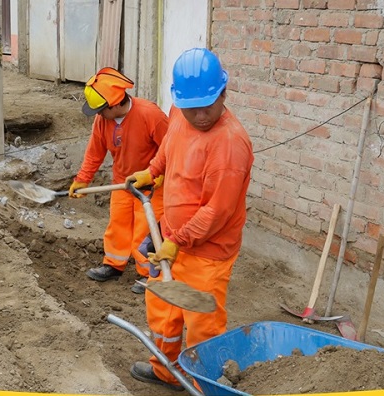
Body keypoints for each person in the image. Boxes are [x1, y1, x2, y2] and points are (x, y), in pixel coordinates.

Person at [126, 48, 254, 391]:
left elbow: (217, 211)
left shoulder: (229, 144)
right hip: (173, 238)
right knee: (163, 307)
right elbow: (168, 149)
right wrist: (151, 172)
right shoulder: (181, 115)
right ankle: (167, 370)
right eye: (190, 107)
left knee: (203, 323)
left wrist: (177, 241)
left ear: (223, 94)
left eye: (207, 106)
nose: (198, 115)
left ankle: (202, 385)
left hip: (208, 251)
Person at [70, 67, 169, 294]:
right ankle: (113, 265)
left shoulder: (150, 115)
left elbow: (171, 148)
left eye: (100, 110)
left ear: (114, 105)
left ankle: (147, 276)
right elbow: (94, 153)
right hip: (122, 182)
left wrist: (159, 175)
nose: (97, 115)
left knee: (145, 232)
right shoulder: (102, 122)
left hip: (151, 186)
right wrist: (82, 179)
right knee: (118, 225)